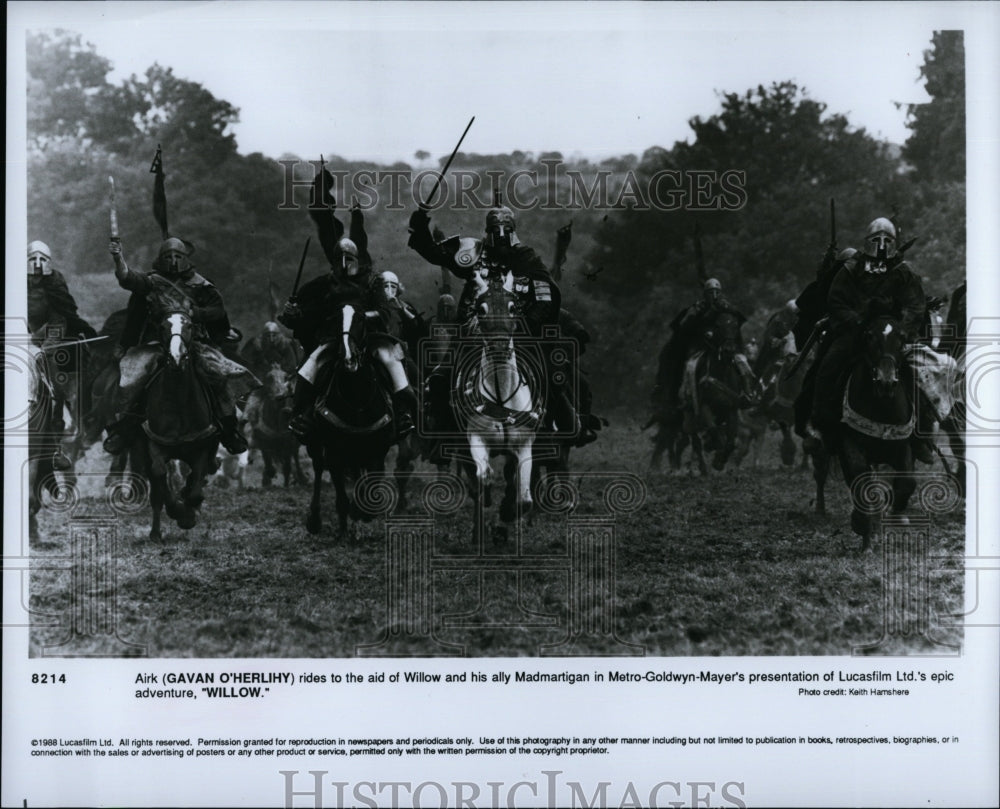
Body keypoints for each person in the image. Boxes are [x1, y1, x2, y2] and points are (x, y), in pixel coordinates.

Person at [408, 202, 582, 434]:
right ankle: (443, 434)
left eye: (505, 230)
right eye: (495, 230)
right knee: (441, 378)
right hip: (474, 332)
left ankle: (553, 426)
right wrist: (420, 225)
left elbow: (545, 298)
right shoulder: (474, 254)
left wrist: (526, 324)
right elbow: (434, 253)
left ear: (513, 231)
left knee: (552, 375)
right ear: (488, 231)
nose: (500, 236)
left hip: (519, 334)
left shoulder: (528, 260)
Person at [280, 169, 418, 440]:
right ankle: (303, 416)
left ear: (358, 258)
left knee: (392, 362)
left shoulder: (372, 282)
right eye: (340, 258)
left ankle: (404, 415)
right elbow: (308, 312)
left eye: (350, 258)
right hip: (334, 339)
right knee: (309, 368)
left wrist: (364, 317)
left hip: (370, 338)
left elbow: (388, 309)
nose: (345, 263)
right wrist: (292, 314)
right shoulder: (325, 283)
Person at [103, 237, 256, 455]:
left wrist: (197, 314)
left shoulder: (201, 284)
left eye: (177, 256)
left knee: (219, 377)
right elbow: (128, 278)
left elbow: (218, 310)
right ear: (160, 259)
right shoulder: (151, 281)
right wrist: (118, 258)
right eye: (168, 256)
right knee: (133, 379)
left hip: (195, 344)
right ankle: (125, 429)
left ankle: (229, 430)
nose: (173, 260)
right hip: (157, 345)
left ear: (186, 259)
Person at [806, 217, 927, 454]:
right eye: (876, 239)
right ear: (867, 241)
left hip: (893, 334)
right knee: (828, 365)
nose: (882, 244)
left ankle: (920, 434)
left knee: (919, 373)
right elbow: (836, 300)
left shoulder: (903, 271)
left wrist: (904, 329)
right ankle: (822, 426)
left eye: (887, 240)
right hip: (855, 330)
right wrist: (855, 320)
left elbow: (916, 305)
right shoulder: (852, 267)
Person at [27, 241, 98, 470]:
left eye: (42, 260)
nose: (37, 265)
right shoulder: (15, 280)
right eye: (32, 259)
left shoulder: (55, 282)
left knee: (52, 379)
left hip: (48, 336)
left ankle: (56, 441)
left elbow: (61, 317)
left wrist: (43, 343)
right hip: (17, 333)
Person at [653, 277, 747, 415]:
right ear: (705, 294)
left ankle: (748, 394)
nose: (714, 296)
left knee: (743, 363)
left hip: (724, 348)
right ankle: (682, 397)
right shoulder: (698, 308)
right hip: (699, 347)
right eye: (710, 292)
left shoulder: (725, 306)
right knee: (689, 367)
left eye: (717, 292)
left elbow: (737, 321)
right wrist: (699, 317)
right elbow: (684, 327)